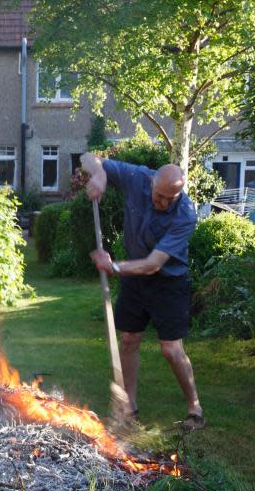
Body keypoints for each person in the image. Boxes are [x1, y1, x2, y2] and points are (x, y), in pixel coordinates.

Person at [81, 152, 205, 430]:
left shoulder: (185, 213)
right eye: (158, 196)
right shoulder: (137, 177)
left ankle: (195, 408)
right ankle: (130, 407)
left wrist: (112, 266)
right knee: (128, 339)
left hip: (169, 282)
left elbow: (152, 265)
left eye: (168, 199)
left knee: (171, 350)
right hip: (135, 281)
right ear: (151, 183)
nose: (162, 203)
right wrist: (100, 174)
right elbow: (88, 157)